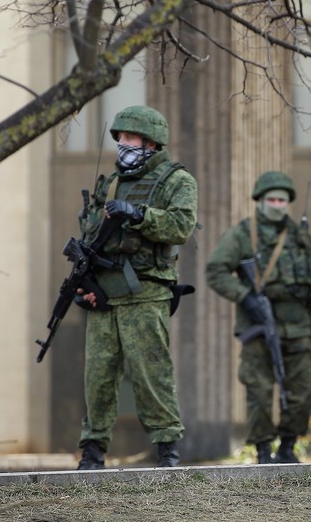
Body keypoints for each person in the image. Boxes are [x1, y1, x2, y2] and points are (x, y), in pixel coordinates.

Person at [75, 105, 198, 470]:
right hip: (106, 295)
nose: (122, 145)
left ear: (151, 142)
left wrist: (139, 214)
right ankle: (92, 452)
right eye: (119, 139)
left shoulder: (177, 180)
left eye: (129, 138)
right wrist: (88, 285)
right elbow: (90, 238)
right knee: (98, 376)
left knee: (150, 373)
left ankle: (167, 450)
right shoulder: (110, 182)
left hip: (146, 291)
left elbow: (180, 226)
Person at [205, 171, 311, 464]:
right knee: (258, 390)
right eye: (271, 199)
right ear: (259, 201)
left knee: (301, 390)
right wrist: (245, 297)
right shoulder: (243, 234)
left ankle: (288, 446)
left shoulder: (300, 238)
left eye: (282, 200)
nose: (276, 204)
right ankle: (262, 449)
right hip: (258, 324)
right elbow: (216, 271)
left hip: (298, 325)